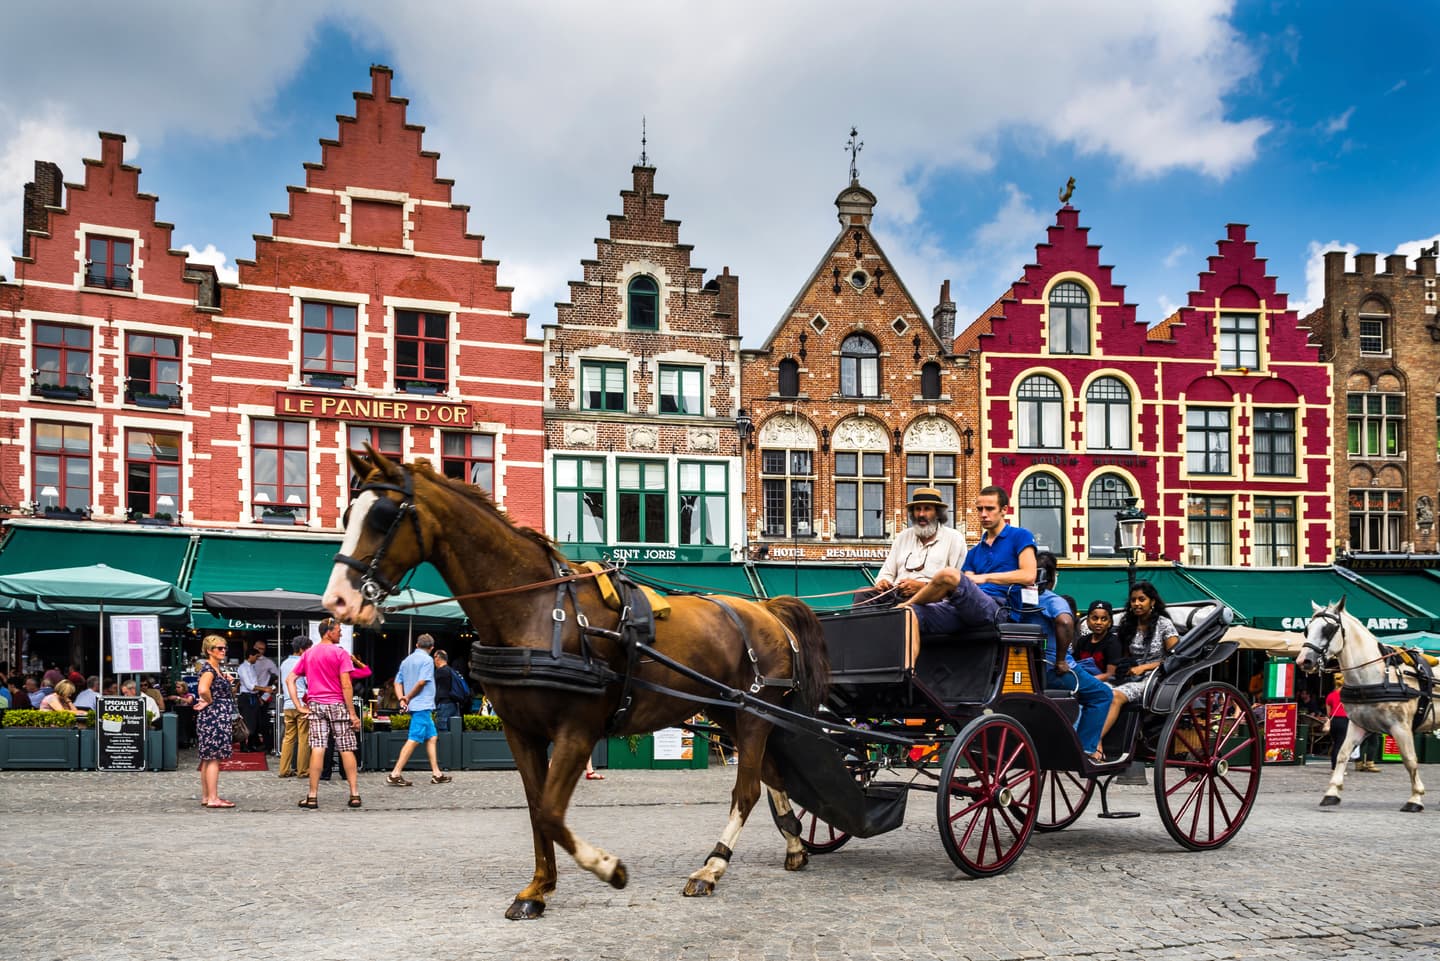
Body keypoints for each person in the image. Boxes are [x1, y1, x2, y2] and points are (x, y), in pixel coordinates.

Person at [900, 485, 1035, 636]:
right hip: (966, 607)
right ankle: (904, 616)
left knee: (949, 575)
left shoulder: (1020, 536)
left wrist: (984, 577)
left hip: (1000, 609)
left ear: (1004, 510)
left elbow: (1029, 576)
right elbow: (969, 585)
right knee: (908, 615)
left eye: (989, 509)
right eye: (980, 509)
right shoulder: (974, 552)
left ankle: (903, 605)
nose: (983, 514)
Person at [1027, 553, 1115, 762]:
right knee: (1102, 694)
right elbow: (1065, 622)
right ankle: (1084, 749)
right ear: (1052, 577)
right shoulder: (1052, 599)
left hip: (1025, 670)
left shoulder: (1018, 598)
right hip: (1051, 670)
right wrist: (1060, 660)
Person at [287, 617, 364, 809]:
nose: (341, 633)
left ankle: (312, 796)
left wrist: (298, 704)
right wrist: (353, 714)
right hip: (337, 704)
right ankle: (354, 794)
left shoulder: (309, 654)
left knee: (318, 748)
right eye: (338, 630)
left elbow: (290, 679)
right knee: (346, 748)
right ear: (328, 631)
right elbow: (346, 685)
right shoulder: (341, 653)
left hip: (316, 705)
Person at [1099, 580, 1180, 740]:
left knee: (1115, 696)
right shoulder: (1128, 624)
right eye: (1133, 600)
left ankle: (1096, 742)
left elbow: (1176, 657)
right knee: (1097, 691)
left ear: (1152, 602)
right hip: (1130, 676)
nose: (1136, 603)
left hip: (1155, 678)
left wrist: (1145, 667)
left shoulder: (1164, 624)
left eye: (1141, 599)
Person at [859, 488, 967, 607]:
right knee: (863, 595)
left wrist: (923, 586)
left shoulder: (954, 539)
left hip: (931, 599)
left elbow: (958, 583)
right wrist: (883, 582)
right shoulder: (903, 537)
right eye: (917, 509)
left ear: (937, 513)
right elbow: (887, 572)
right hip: (896, 594)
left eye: (927, 509)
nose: (921, 514)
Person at [386, 633, 452, 787]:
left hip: (418, 706)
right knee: (414, 738)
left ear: (416, 645)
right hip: (422, 704)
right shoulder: (428, 660)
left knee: (432, 737)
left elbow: (397, 682)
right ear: (431, 648)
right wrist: (407, 697)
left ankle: (437, 773)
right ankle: (395, 774)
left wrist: (402, 698)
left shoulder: (406, 660)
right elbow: (422, 682)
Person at [193, 635, 237, 808]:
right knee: (213, 758)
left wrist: (227, 682)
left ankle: (207, 796)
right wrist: (210, 700)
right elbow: (203, 689)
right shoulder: (209, 670)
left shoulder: (215, 669)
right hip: (215, 716)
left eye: (224, 648)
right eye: (219, 648)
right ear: (209, 650)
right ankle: (213, 798)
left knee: (208, 758)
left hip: (214, 715)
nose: (223, 651)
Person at [277, 636, 312, 779]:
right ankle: (302, 770)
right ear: (302, 649)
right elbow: (308, 682)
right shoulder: (304, 662)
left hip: (287, 703)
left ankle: (284, 769)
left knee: (288, 738)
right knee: (304, 738)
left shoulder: (284, 663)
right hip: (301, 703)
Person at [1073, 600, 1122, 682]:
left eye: (1104, 619)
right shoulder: (1082, 641)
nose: (1099, 622)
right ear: (1088, 621)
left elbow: (1111, 674)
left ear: (1109, 623)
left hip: (1102, 684)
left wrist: (1088, 681)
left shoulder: (1114, 642)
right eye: (1095, 618)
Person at [236, 645, 273, 752]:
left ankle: (252, 744)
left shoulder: (252, 667)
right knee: (246, 723)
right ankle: (243, 746)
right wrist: (265, 689)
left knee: (256, 722)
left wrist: (259, 696)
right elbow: (250, 685)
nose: (257, 659)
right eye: (256, 657)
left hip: (253, 696)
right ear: (250, 656)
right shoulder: (243, 668)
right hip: (246, 697)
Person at [251, 640, 280, 753]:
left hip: (262, 693)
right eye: (257, 648)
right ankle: (253, 743)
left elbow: (278, 677)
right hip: (250, 692)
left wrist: (268, 693)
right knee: (252, 721)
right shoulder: (248, 662)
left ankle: (267, 745)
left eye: (262, 649)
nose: (259, 651)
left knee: (264, 722)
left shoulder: (268, 662)